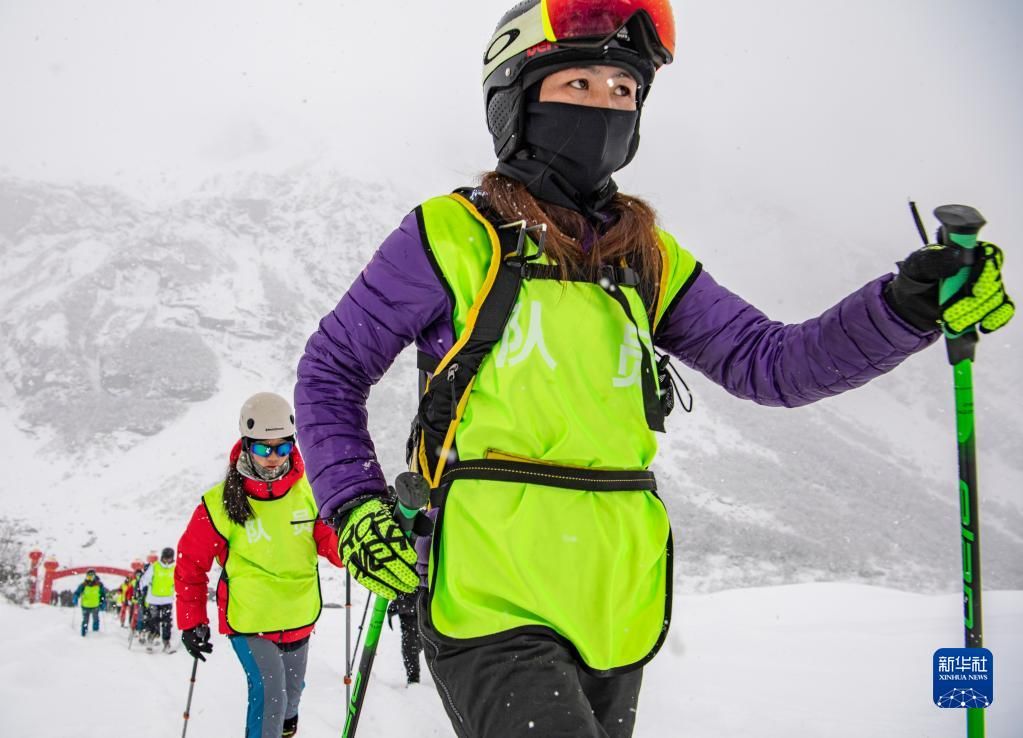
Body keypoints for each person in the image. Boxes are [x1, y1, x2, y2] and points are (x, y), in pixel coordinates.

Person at [293, 1, 1015, 736]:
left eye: (623, 91)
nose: (605, 106)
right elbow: (330, 370)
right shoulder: (448, 235)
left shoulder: (645, 260)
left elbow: (773, 365)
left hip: (615, 600)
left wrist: (905, 305)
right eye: (578, 84)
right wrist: (352, 504)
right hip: (486, 592)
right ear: (515, 97)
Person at [175, 392, 343, 738]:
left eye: (282, 448)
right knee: (271, 698)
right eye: (264, 448)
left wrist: (362, 542)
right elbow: (191, 563)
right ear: (246, 444)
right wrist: (192, 621)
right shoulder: (219, 504)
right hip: (250, 621)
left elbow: (333, 546)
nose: (273, 458)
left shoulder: (310, 492)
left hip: (299, 614)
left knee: (291, 701)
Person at [139, 547, 176, 652]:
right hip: (153, 599)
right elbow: (145, 579)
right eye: (165, 558)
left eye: (169, 558)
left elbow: (179, 581)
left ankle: (166, 642)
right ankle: (151, 639)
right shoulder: (155, 566)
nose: (167, 560)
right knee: (153, 621)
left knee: (167, 622)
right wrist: (142, 589)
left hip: (167, 599)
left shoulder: (175, 567)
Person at [386, 591, 423, 685]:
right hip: (409, 599)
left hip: (413, 598)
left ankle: (413, 677)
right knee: (412, 640)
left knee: (417, 639)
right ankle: (413, 678)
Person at [72, 569, 107, 637]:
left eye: (91, 576)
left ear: (94, 576)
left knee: (96, 619)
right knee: (85, 620)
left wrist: (103, 602)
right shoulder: (83, 585)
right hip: (85, 605)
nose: (90, 578)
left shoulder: (99, 585)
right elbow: (77, 592)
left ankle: (95, 633)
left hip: (95, 605)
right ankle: (83, 634)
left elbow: (103, 595)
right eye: (88, 576)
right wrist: (75, 598)